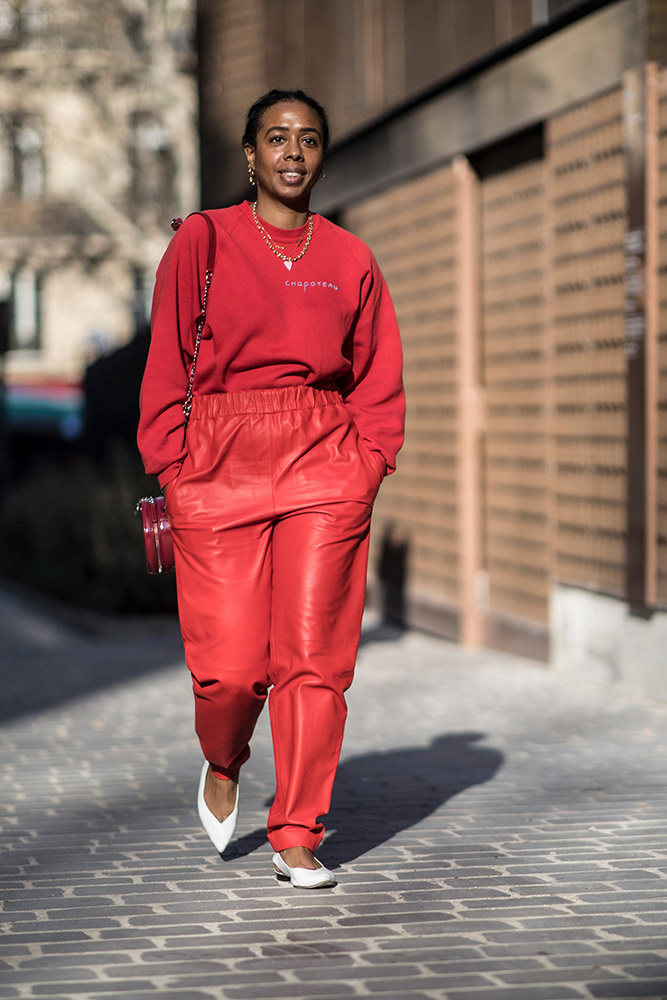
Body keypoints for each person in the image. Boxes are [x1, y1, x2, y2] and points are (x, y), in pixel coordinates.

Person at [137, 89, 405, 888]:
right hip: (218, 464)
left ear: (323, 156)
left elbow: (377, 376)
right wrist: (174, 468)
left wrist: (367, 461)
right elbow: (165, 358)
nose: (294, 151)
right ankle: (224, 759)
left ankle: (297, 830)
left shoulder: (350, 258)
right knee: (228, 669)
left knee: (313, 659)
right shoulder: (204, 238)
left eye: (310, 139)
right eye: (277, 138)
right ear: (249, 154)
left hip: (324, 461)